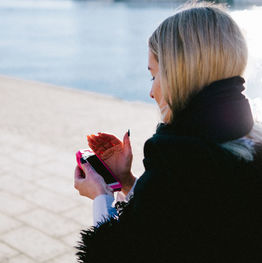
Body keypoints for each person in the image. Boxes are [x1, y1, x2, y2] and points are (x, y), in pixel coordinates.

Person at [73, 2, 262, 262]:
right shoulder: (245, 146)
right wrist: (128, 182)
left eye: (153, 75)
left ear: (177, 73)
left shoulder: (180, 163)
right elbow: (171, 218)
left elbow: (115, 253)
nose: (151, 92)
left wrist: (102, 196)